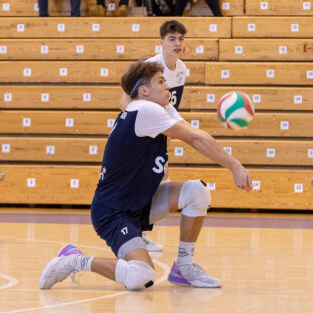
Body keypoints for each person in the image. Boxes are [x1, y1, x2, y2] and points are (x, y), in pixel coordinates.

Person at [39, 60, 252, 291]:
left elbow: (196, 134)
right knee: (141, 277)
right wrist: (235, 167)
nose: (167, 87)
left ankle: (184, 266)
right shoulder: (144, 109)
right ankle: (73, 261)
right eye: (161, 82)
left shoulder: (162, 109)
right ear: (144, 90)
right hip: (113, 212)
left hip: (141, 203)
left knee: (197, 192)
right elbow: (195, 139)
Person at [116, 20, 188, 252]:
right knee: (147, 181)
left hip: (158, 131)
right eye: (172, 39)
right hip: (140, 131)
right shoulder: (151, 66)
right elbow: (124, 101)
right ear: (162, 42)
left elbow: (169, 105)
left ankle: (141, 231)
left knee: (161, 179)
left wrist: (170, 127)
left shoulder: (182, 70)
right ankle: (133, 231)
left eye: (181, 39)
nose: (177, 44)